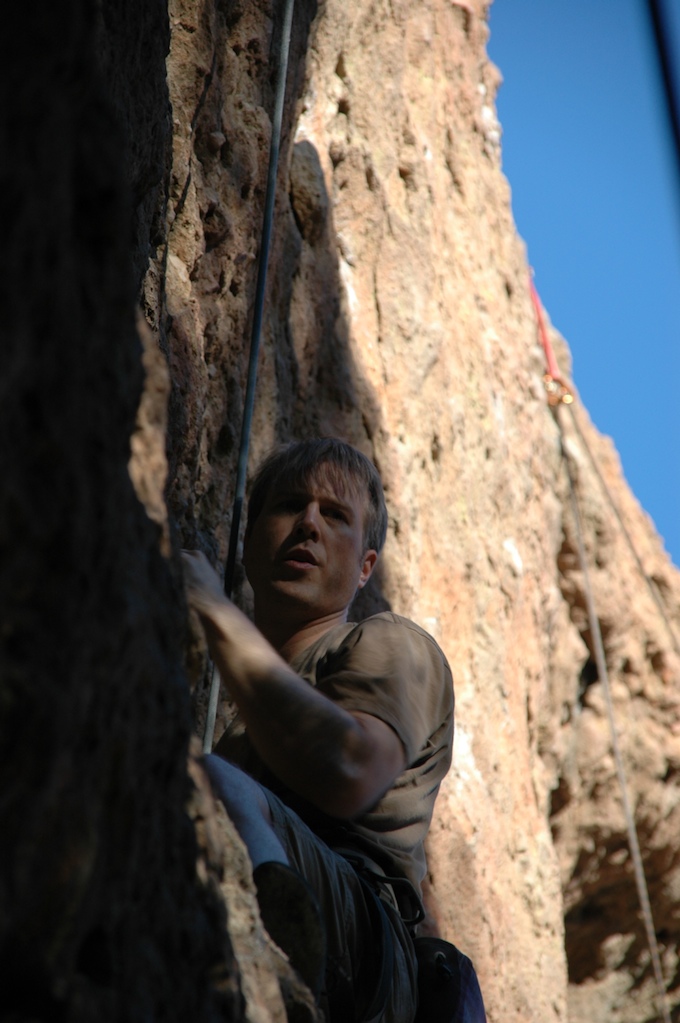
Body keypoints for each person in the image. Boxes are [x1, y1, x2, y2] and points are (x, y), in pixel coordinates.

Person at [182, 439, 455, 1023]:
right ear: (248, 542)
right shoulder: (241, 729)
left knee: (207, 784)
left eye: (335, 516)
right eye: (287, 506)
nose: (308, 523)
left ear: (365, 567)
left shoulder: (392, 645)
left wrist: (215, 612)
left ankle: (275, 935)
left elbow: (351, 769)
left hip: (362, 931)